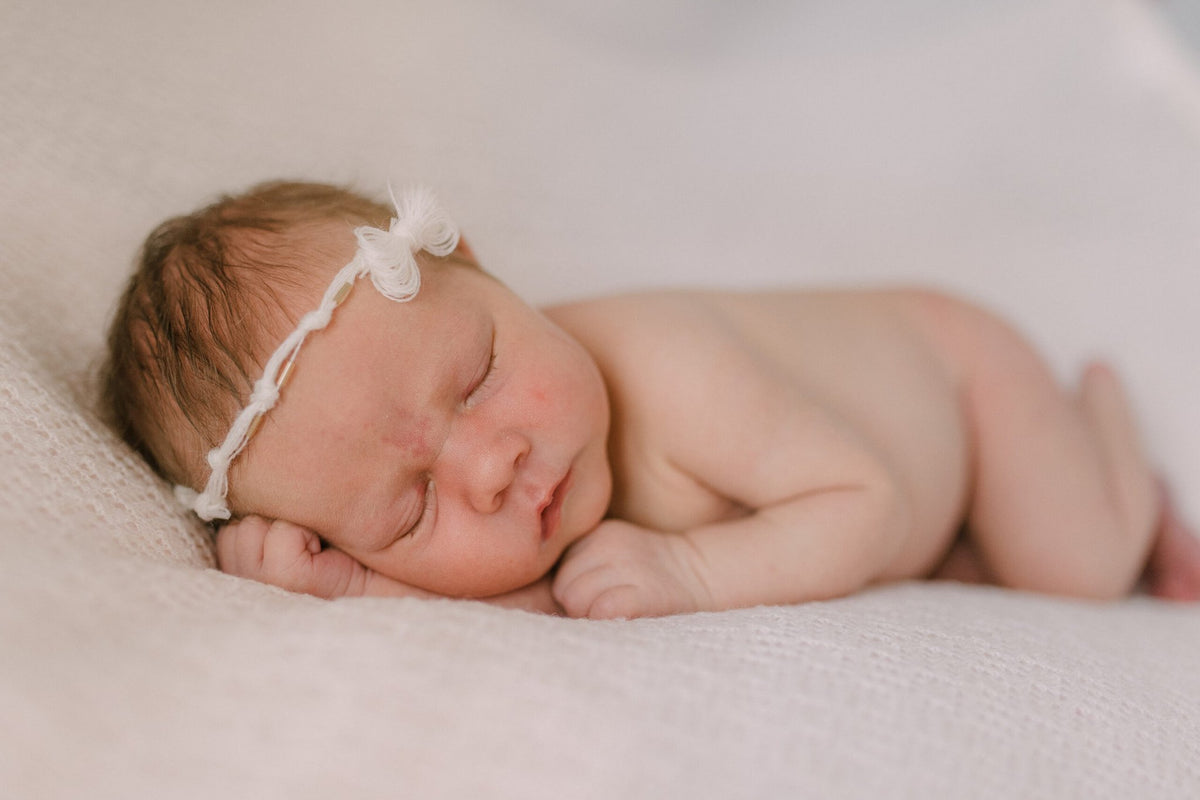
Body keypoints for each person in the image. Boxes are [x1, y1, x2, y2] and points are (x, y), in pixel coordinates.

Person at [102, 180, 1200, 618]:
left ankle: (1105, 439)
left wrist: (693, 569)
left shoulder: (673, 368)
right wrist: (344, 590)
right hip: (892, 481)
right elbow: (542, 608)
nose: (489, 465)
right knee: (976, 558)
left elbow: (864, 495)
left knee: (1076, 569)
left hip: (956, 385)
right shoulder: (528, 507)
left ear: (484, 267)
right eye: (408, 510)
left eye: (477, 376)